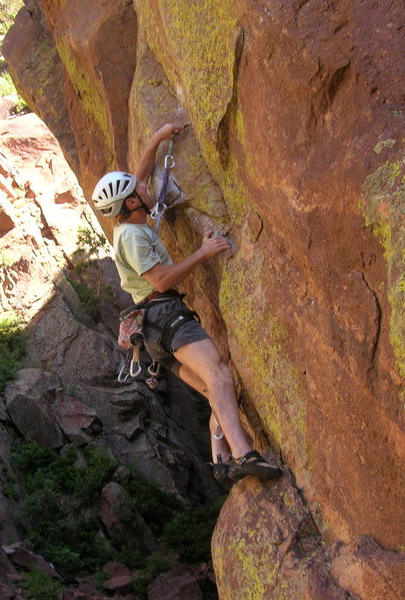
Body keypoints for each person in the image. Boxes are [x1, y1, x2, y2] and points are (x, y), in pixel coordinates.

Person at [91, 122, 283, 484]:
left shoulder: (128, 222)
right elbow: (161, 279)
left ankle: (220, 460)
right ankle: (244, 455)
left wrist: (157, 137)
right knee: (221, 376)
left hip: (155, 331)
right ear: (132, 202)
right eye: (140, 190)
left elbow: (139, 175)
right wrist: (203, 252)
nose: (146, 187)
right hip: (166, 317)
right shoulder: (132, 237)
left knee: (217, 390)